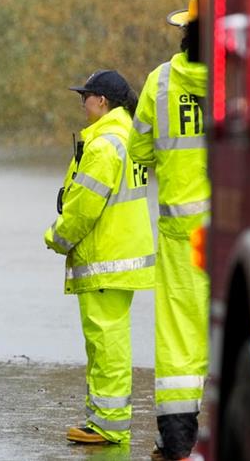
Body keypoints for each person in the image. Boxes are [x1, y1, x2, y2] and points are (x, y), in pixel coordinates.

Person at [44, 69, 155, 446]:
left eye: (85, 96)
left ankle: (109, 423)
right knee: (107, 339)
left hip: (106, 256)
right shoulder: (127, 138)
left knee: (106, 342)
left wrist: (56, 238)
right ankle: (103, 420)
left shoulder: (106, 144)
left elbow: (83, 208)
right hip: (120, 255)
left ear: (103, 101)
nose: (82, 102)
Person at [128, 0, 209, 461]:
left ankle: (177, 440)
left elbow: (139, 152)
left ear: (186, 33)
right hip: (242, 227)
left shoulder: (160, 82)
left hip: (183, 232)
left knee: (180, 336)